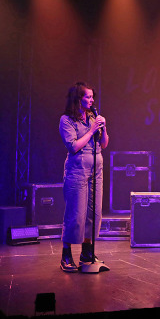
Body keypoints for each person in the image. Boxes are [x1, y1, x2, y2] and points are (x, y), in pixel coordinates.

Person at [59, 82, 109, 273]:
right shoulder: (67, 120)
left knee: (94, 213)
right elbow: (73, 146)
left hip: (97, 170)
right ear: (78, 99)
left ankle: (87, 253)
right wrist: (91, 130)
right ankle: (66, 255)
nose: (91, 100)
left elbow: (104, 144)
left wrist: (103, 128)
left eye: (92, 96)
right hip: (77, 170)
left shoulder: (92, 117)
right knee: (76, 214)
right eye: (87, 97)